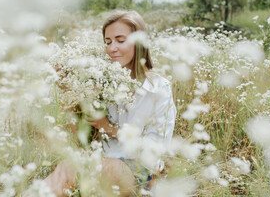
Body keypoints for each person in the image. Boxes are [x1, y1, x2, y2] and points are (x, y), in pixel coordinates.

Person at [44, 10, 176, 196]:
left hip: (141, 171)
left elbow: (155, 149)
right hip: (103, 162)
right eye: (108, 42)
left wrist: (108, 127)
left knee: (77, 169)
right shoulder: (100, 81)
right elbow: (85, 141)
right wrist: (72, 92)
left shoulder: (158, 89)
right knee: (66, 171)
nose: (112, 48)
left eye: (121, 40)